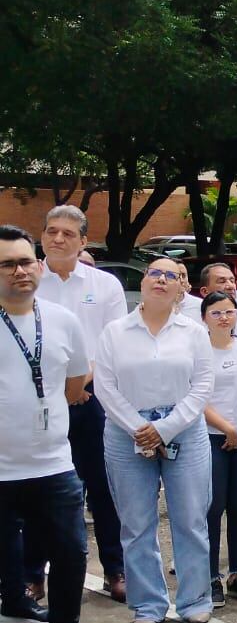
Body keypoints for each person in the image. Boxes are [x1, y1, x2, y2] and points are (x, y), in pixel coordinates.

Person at [0, 224, 102, 623]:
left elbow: (75, 384)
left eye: (26, 261)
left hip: (53, 464)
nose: (20, 271)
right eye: (7, 264)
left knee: (71, 552)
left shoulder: (63, 320)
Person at [95, 256, 215, 623]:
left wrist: (166, 428)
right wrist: (138, 427)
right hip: (125, 430)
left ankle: (195, 598)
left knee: (191, 518)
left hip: (184, 429)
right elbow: (105, 386)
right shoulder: (115, 331)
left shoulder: (193, 332)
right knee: (136, 523)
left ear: (182, 287)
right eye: (154, 273)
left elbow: (202, 385)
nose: (161, 279)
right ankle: (147, 603)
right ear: (144, 282)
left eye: (170, 275)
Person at [32, 206, 127, 603]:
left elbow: (114, 344)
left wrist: (78, 383)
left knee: (104, 489)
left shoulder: (105, 285)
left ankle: (116, 571)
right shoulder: (26, 280)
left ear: (83, 241)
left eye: (68, 233)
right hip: (40, 402)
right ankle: (32, 575)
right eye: (51, 231)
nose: (58, 239)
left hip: (92, 400)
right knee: (39, 489)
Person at [200, 292, 237, 608]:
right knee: (213, 507)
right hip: (212, 437)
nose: (224, 318)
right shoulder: (200, 351)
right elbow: (197, 399)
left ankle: (236, 573)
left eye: (229, 312)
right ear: (204, 317)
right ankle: (211, 577)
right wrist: (227, 428)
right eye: (217, 312)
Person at [189, 263, 237, 336]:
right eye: (222, 281)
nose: (230, 286)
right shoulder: (191, 324)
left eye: (232, 281)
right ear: (205, 291)